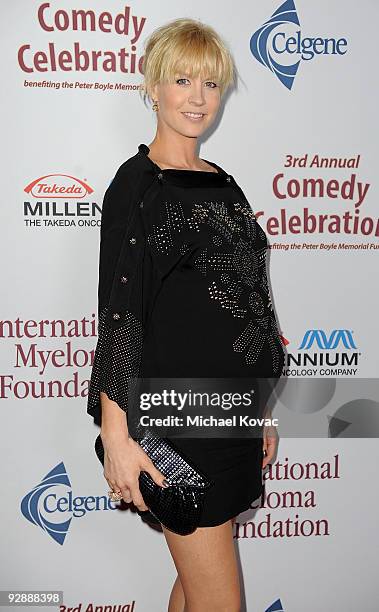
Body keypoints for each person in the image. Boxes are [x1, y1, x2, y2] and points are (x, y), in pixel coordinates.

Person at [86, 17, 285, 612]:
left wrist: (259, 414)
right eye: (182, 81)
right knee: (221, 600)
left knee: (197, 585)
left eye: (211, 84)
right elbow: (121, 316)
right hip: (171, 426)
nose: (198, 99)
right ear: (153, 87)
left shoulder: (224, 184)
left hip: (227, 420)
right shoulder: (136, 187)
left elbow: (249, 304)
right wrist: (118, 436)